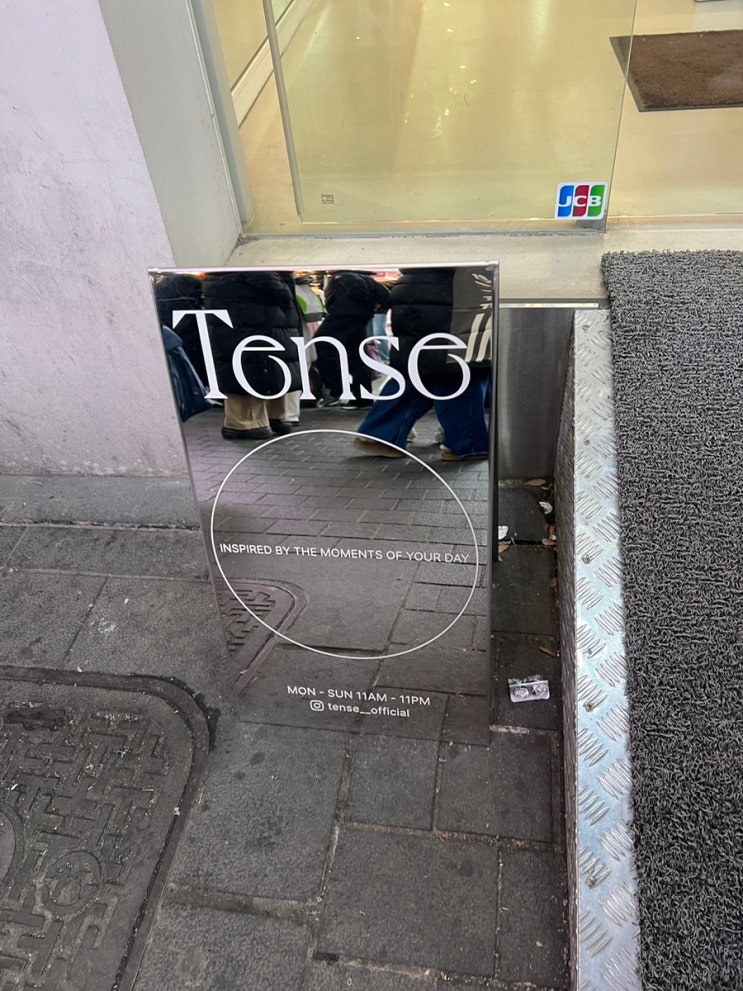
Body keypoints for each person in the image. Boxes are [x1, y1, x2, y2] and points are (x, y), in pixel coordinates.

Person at [353, 267, 492, 460]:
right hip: (456, 292)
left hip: (413, 286)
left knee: (420, 369)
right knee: (460, 370)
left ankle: (381, 433)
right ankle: (468, 443)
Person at [201, 270, 302, 440]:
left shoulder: (223, 276)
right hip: (256, 321)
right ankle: (248, 422)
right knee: (255, 369)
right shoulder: (253, 270)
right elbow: (270, 284)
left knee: (254, 366)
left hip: (248, 320)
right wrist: (284, 288)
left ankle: (258, 419)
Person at [314, 271, 390, 410]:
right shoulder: (368, 280)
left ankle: (336, 389)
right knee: (357, 356)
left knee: (323, 345)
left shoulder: (341, 279)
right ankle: (362, 398)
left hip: (341, 316)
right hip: (360, 318)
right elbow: (386, 296)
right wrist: (372, 306)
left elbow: (336, 301)